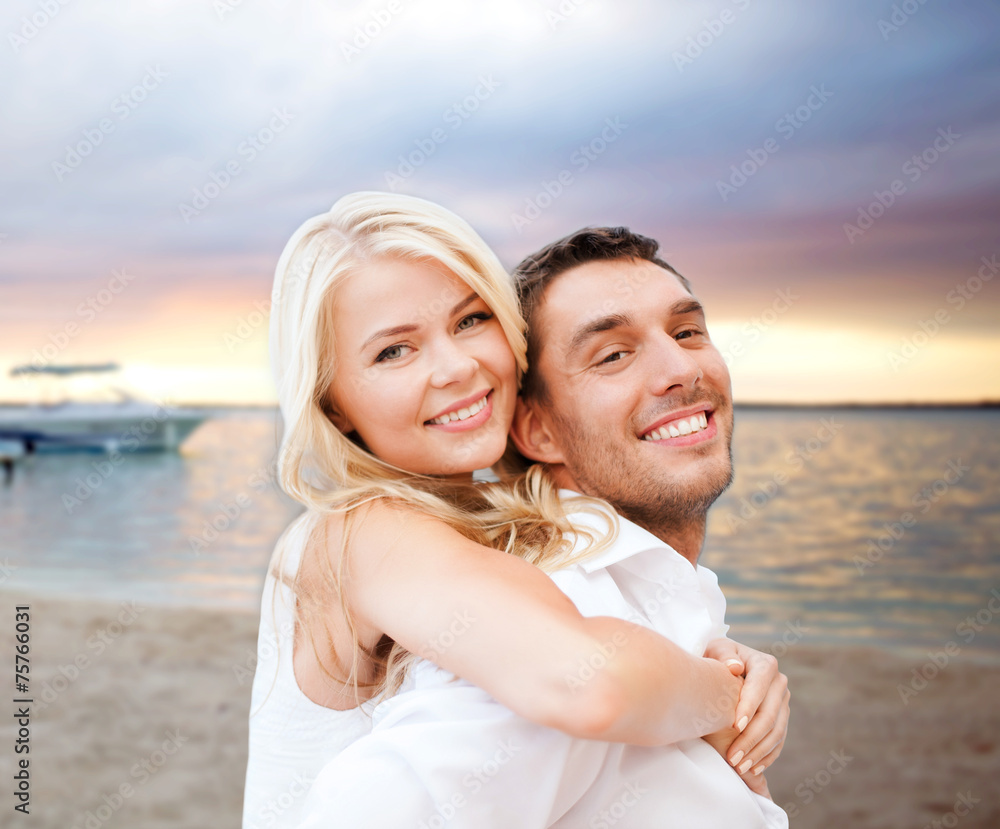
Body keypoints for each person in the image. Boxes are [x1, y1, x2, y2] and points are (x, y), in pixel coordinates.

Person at [243, 196, 786, 828]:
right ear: (332, 404)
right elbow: (587, 681)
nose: (456, 367)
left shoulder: (493, 538)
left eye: (471, 320)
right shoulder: (361, 529)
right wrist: (730, 691)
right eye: (393, 351)